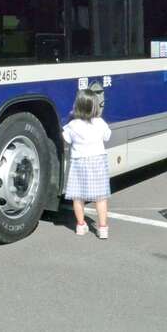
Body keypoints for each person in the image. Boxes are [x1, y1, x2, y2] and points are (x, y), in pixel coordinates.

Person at [63, 88, 112, 239]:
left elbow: (66, 139)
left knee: (78, 196)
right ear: (95, 106)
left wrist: (71, 118)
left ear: (76, 106)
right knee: (100, 197)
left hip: (79, 162)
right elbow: (107, 136)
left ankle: (81, 225)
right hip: (98, 161)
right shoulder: (100, 123)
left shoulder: (72, 125)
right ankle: (102, 228)